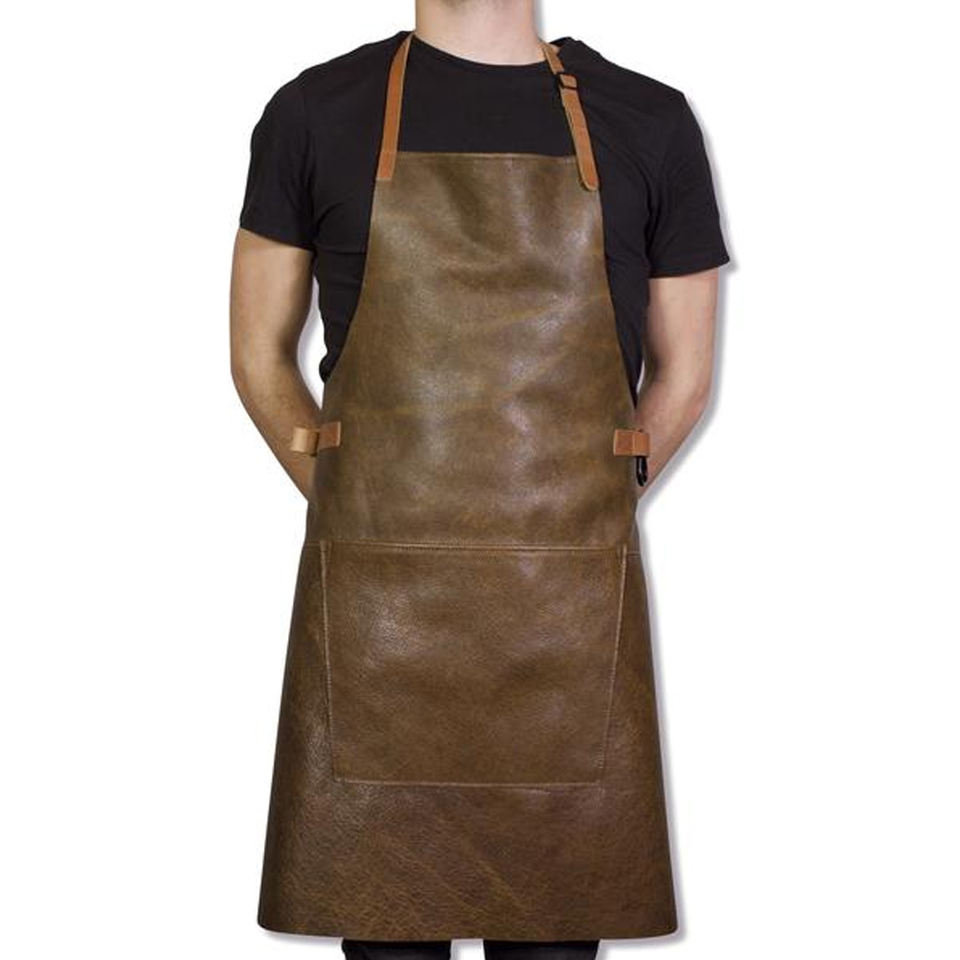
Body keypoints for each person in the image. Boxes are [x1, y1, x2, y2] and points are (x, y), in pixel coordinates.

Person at [230, 2, 728, 958]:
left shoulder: (649, 119)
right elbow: (257, 357)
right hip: (380, 623)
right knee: (387, 940)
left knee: (554, 944)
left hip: (565, 617)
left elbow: (686, 375)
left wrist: (583, 508)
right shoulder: (314, 111)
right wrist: (357, 503)